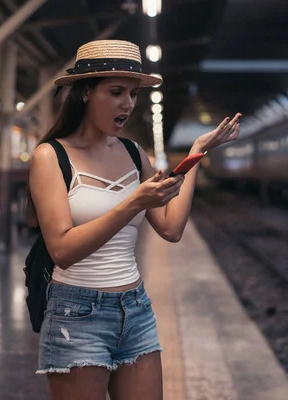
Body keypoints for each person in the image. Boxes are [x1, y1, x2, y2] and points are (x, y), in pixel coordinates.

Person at [26, 39, 240, 400]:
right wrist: (131, 204)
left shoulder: (132, 152)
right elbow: (62, 249)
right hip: (76, 315)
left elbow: (170, 228)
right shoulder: (50, 157)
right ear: (84, 94)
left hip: (136, 309)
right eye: (115, 92)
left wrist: (196, 153)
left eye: (133, 94)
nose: (127, 103)